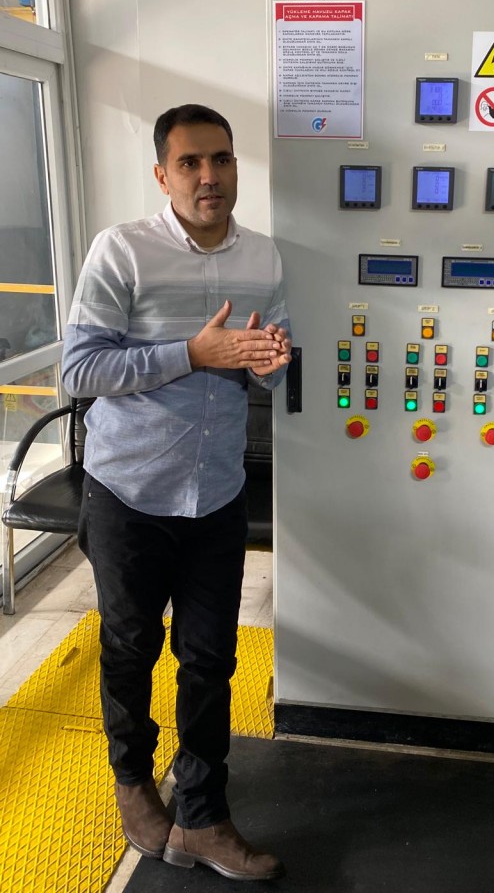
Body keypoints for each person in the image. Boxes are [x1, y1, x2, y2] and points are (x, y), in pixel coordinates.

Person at [62, 104, 291, 882]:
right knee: (130, 648)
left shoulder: (263, 256)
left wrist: (271, 361)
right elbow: (80, 370)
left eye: (221, 159)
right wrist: (190, 353)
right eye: (190, 162)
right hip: (128, 493)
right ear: (163, 175)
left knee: (210, 659)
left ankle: (201, 814)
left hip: (216, 494)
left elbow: (272, 361)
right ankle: (134, 785)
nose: (208, 176)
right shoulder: (122, 249)